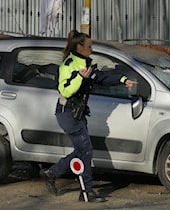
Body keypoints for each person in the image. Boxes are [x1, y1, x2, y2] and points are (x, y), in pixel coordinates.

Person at [40, 30, 137, 203]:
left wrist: (122, 80)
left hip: (78, 113)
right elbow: (65, 90)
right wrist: (79, 77)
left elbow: (100, 77)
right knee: (85, 150)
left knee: (82, 150)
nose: (91, 49)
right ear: (80, 47)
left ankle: (51, 173)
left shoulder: (84, 62)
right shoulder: (69, 64)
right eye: (89, 46)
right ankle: (87, 192)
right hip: (67, 113)